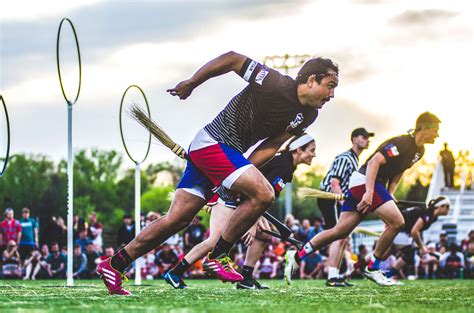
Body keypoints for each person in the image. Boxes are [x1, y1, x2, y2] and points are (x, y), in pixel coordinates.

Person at [97, 51, 338, 295]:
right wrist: (192, 82)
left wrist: (243, 173)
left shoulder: (308, 115)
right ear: (311, 80)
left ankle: (114, 265)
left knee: (176, 220)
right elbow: (233, 59)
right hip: (212, 143)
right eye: (329, 86)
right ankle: (219, 255)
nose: (332, 95)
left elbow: (272, 145)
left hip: (225, 154)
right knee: (264, 194)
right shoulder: (274, 82)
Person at [285, 112, 441, 286]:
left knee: (340, 231)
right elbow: (374, 162)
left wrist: (390, 194)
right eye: (435, 130)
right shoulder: (402, 143)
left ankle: (298, 255)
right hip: (366, 182)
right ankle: (373, 268)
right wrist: (369, 192)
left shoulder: (420, 151)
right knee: (398, 222)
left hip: (370, 185)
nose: (437, 135)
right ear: (425, 128)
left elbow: (398, 173)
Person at [164, 134, 316, 290]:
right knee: (215, 241)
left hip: (243, 201)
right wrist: (251, 222)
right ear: (298, 150)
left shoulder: (288, 166)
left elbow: (265, 195)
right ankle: (175, 273)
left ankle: (247, 279)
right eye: (312, 150)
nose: (314, 154)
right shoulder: (282, 164)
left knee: (262, 234)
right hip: (230, 197)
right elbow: (256, 193)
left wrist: (255, 218)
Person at [318, 127, 373, 287]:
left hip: (335, 199)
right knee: (339, 235)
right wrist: (343, 204)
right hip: (331, 198)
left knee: (343, 236)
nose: (367, 140)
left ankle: (337, 274)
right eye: (364, 137)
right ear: (354, 139)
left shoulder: (354, 160)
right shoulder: (346, 158)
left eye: (368, 137)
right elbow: (334, 183)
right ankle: (332, 276)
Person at [387, 196, 450, 284]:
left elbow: (416, 230)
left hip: (403, 230)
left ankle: (375, 270)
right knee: (408, 254)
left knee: (385, 254)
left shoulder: (433, 217)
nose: (449, 209)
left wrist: (420, 244)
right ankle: (387, 276)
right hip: (397, 226)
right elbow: (415, 231)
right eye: (447, 206)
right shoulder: (428, 213)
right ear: (440, 206)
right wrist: (422, 247)